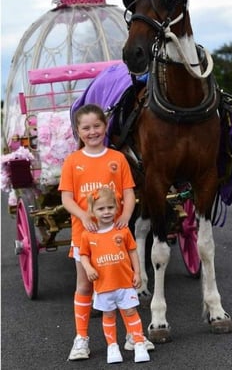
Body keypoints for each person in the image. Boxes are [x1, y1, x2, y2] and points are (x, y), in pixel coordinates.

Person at [59, 103, 152, 361]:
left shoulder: (117, 158)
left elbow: (130, 193)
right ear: (78, 131)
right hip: (86, 234)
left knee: (124, 282)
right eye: (86, 128)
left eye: (97, 126)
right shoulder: (73, 161)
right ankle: (81, 339)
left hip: (115, 233)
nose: (92, 132)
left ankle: (134, 336)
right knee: (85, 284)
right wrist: (82, 215)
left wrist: (125, 215)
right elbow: (67, 199)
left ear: (105, 126)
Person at [80, 187, 150, 363]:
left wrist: (138, 272)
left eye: (110, 208)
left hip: (125, 282)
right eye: (101, 209)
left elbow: (133, 251)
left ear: (117, 208)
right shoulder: (88, 235)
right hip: (103, 284)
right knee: (109, 314)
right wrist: (88, 268)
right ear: (92, 211)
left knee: (130, 310)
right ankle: (112, 347)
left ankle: (139, 342)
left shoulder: (123, 231)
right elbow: (83, 255)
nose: (106, 212)